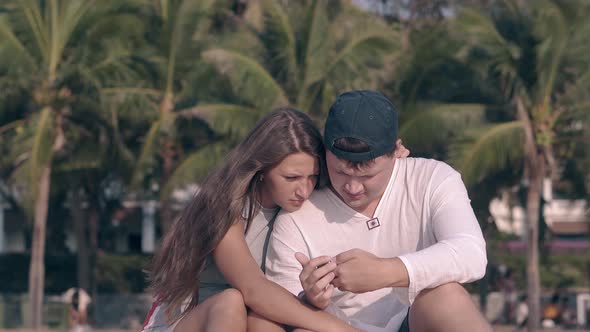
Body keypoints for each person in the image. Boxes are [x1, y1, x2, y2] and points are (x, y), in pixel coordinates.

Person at [142, 107, 409, 332]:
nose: (304, 190)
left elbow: (355, 172)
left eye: (312, 177)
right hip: (186, 321)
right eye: (291, 178)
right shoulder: (223, 206)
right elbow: (254, 290)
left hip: (250, 320)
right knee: (234, 301)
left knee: (267, 322)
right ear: (261, 168)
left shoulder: (303, 200)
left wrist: (388, 159)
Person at [267, 90, 492, 331]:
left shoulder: (432, 179)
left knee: (447, 297)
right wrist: (310, 299)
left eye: (367, 175)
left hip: (416, 321)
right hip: (340, 327)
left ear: (397, 151)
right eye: (340, 172)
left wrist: (385, 271)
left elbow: (471, 254)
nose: (352, 187)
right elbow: (280, 308)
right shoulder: (295, 218)